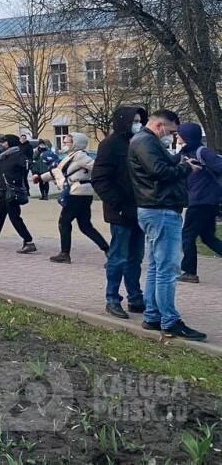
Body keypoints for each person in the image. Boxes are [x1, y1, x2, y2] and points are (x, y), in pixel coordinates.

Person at [128, 109, 205, 341]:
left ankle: (152, 315)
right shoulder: (145, 142)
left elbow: (160, 164)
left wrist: (178, 159)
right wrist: (186, 168)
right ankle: (169, 321)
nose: (171, 136)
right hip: (160, 208)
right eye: (170, 131)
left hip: (155, 208)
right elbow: (159, 172)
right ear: (160, 125)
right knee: (167, 269)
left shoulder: (145, 141)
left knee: (156, 266)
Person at [92, 106, 148, 321]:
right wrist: (119, 204)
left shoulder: (139, 142)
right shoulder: (110, 145)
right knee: (119, 256)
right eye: (134, 120)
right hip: (121, 211)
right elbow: (100, 179)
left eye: (139, 120)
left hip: (140, 209)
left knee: (136, 257)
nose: (137, 123)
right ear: (123, 121)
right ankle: (112, 298)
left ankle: (135, 296)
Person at [35, 133, 108, 264]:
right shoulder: (72, 156)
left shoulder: (80, 155)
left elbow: (96, 166)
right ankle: (109, 251)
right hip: (81, 193)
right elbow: (58, 172)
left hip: (76, 193)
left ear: (75, 143)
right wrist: (41, 178)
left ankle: (65, 253)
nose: (64, 144)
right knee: (85, 226)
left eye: (67, 142)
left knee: (64, 222)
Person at [176, 122, 222, 284]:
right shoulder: (186, 152)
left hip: (202, 201)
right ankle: (189, 271)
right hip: (203, 201)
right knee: (208, 237)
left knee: (187, 236)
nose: (177, 137)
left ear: (187, 136)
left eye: (179, 134)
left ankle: (189, 272)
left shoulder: (202, 152)